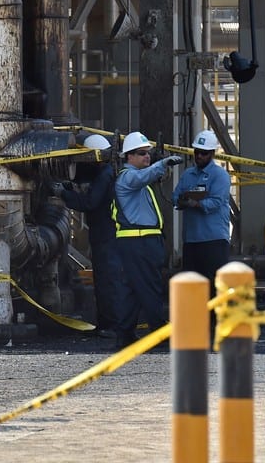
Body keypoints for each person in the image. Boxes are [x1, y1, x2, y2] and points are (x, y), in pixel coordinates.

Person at [111, 131, 182, 347]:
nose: (147, 157)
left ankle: (125, 334)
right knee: (149, 286)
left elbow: (146, 178)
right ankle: (159, 333)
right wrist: (162, 165)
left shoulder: (137, 182)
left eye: (148, 153)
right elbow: (144, 176)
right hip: (139, 242)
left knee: (132, 289)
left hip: (136, 242)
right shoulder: (129, 177)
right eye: (142, 153)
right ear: (128, 156)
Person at [54, 134, 127, 339]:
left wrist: (63, 194)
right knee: (105, 280)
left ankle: (112, 325)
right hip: (105, 234)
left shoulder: (104, 175)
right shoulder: (105, 172)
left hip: (106, 236)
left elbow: (89, 202)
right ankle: (107, 323)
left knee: (107, 281)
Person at [171, 129, 232, 287]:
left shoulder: (220, 176)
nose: (199, 156)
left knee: (214, 287)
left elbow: (216, 202)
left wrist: (195, 203)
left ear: (212, 153)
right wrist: (182, 200)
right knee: (193, 287)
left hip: (214, 240)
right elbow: (175, 196)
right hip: (191, 241)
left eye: (204, 153)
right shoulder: (188, 174)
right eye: (197, 152)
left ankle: (213, 313)